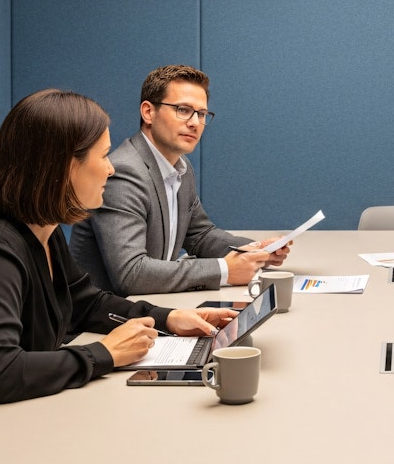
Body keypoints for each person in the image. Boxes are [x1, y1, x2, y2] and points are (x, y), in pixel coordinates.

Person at [0, 89, 239, 464]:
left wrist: (168, 318)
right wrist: (103, 354)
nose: (110, 169)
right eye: (102, 156)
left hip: (3, 433)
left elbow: (84, 302)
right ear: (61, 166)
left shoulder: (43, 232)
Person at [70, 65, 289, 296]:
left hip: (146, 311)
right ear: (148, 112)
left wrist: (255, 249)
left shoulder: (180, 168)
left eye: (202, 114)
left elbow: (200, 235)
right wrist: (224, 269)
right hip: (100, 325)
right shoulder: (124, 172)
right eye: (183, 110)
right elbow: (131, 274)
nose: (195, 122)